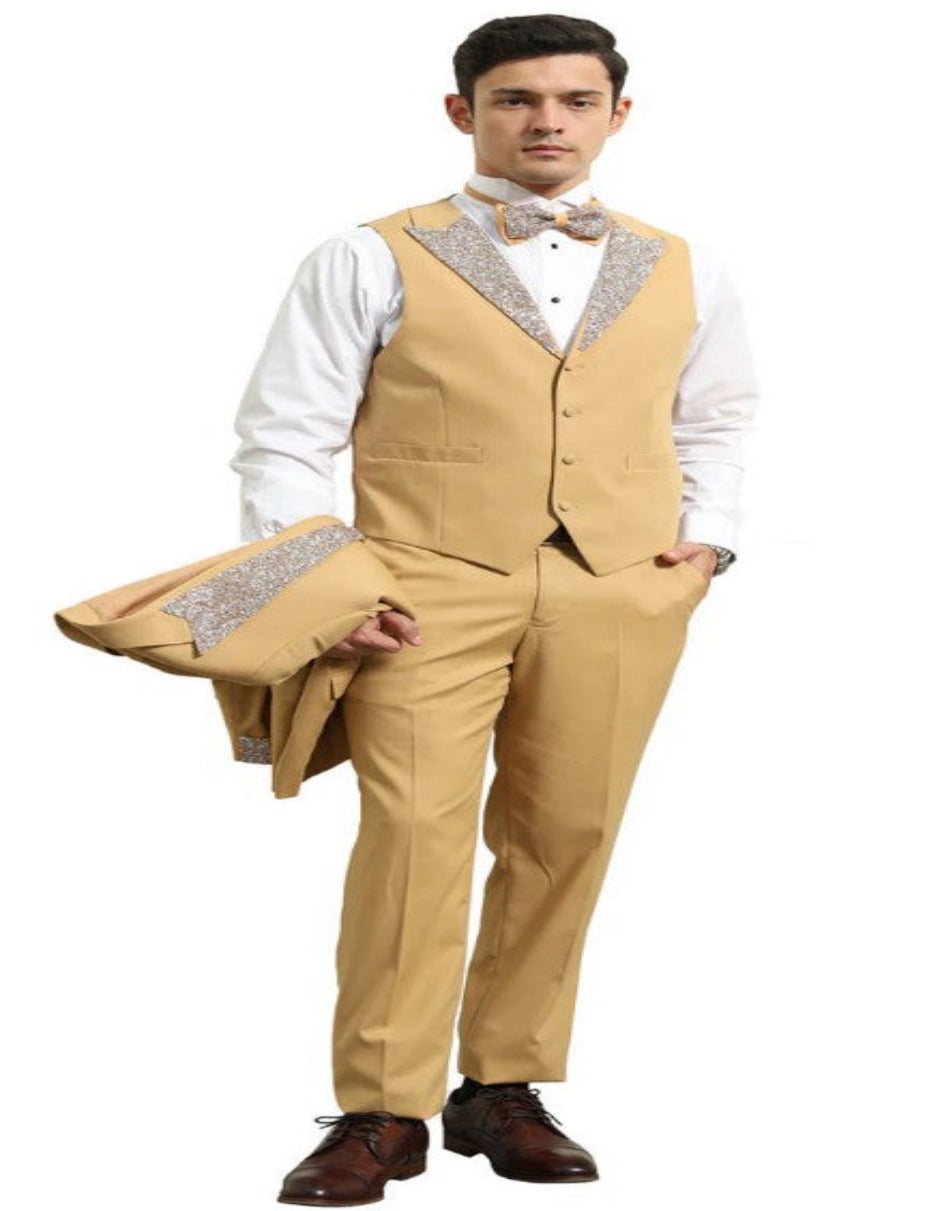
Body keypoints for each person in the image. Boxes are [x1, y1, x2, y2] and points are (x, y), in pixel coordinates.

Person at [229, 14, 759, 1206]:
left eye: (576, 100)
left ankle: (502, 1085)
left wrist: (706, 541)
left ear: (618, 115)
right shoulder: (367, 255)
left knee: (566, 833)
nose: (548, 122)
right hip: (419, 589)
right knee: (411, 836)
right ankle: (381, 1107)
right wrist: (322, 590)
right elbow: (284, 436)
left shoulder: (687, 263)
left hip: (620, 582)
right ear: (463, 112)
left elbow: (718, 415)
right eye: (518, 99)